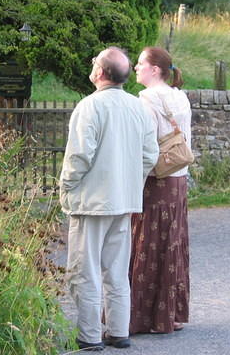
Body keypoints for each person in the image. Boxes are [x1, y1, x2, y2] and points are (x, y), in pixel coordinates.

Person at [60, 47, 159, 351]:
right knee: (116, 270)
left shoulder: (90, 107)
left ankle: (89, 335)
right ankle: (118, 331)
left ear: (100, 73)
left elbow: (79, 156)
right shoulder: (138, 107)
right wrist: (130, 181)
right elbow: (150, 155)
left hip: (91, 200)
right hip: (124, 199)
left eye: (94, 63)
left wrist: (67, 184)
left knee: (84, 270)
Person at [129, 46, 192, 335]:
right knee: (173, 244)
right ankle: (172, 315)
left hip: (157, 180)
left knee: (147, 244)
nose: (136, 68)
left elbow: (147, 148)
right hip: (179, 179)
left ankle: (145, 318)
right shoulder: (180, 96)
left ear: (155, 70)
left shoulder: (147, 100)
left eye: (141, 64)